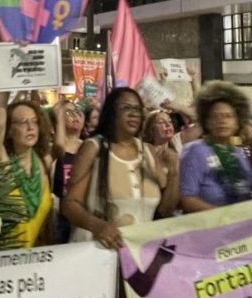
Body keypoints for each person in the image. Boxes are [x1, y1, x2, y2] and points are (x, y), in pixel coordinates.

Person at [62, 88, 179, 249]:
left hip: (139, 258)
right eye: (126, 108)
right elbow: (70, 204)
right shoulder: (94, 148)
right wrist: (98, 226)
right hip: (98, 255)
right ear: (112, 113)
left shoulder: (149, 152)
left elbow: (166, 210)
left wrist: (173, 174)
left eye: (137, 109)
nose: (133, 114)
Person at [179, 81, 252, 212]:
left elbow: (247, 191)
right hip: (209, 228)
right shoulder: (194, 151)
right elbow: (187, 199)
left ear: (237, 122)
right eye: (215, 116)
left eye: (228, 116)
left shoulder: (239, 152)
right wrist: (226, 216)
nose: (222, 121)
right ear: (206, 122)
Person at [0, 92, 52, 248]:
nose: (30, 127)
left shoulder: (44, 162)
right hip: (6, 260)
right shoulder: (2, 163)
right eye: (22, 122)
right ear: (9, 130)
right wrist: (4, 86)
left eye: (34, 121)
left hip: (38, 261)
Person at [50, 100, 86, 243]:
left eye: (77, 111)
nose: (75, 116)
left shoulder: (89, 147)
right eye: (68, 113)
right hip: (59, 218)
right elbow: (59, 146)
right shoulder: (50, 148)